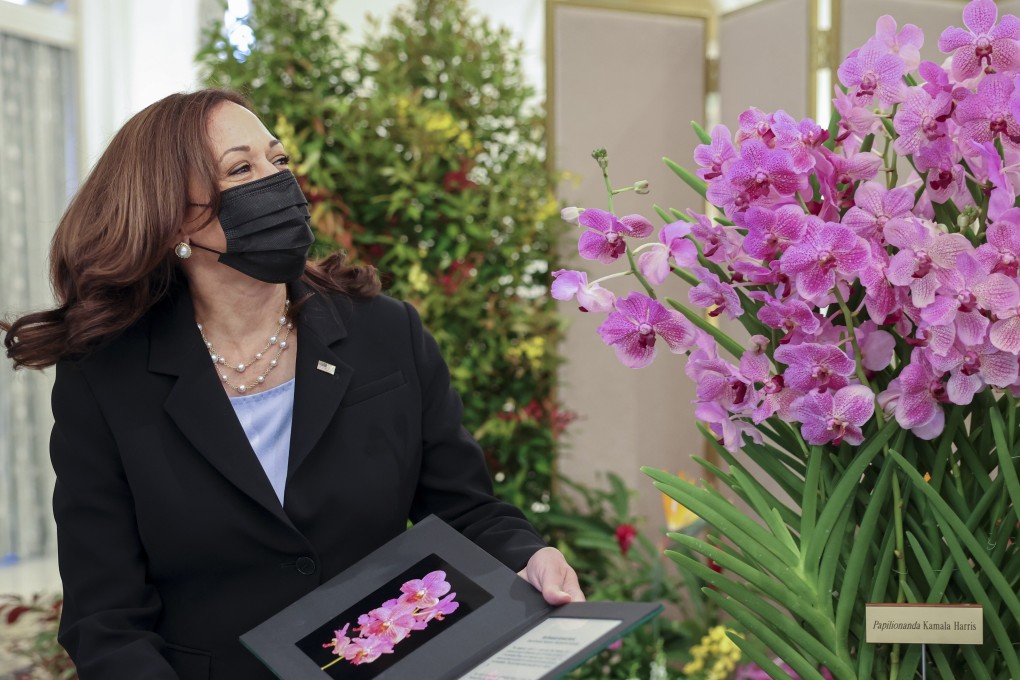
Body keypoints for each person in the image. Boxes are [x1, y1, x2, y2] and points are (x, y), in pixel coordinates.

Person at [1, 88, 582, 680]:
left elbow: (468, 510)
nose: (278, 182)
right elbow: (106, 617)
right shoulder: (106, 377)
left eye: (278, 161)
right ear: (173, 216)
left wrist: (528, 556)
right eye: (240, 170)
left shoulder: (385, 332)